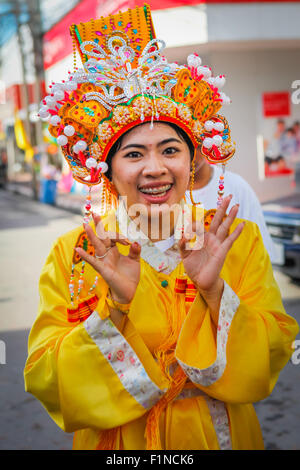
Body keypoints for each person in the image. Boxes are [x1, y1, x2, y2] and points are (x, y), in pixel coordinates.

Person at [24, 6, 298, 451]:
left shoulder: (235, 239)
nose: (155, 168)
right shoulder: (75, 252)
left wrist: (215, 295)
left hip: (218, 434)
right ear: (108, 171)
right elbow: (44, 375)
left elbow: (275, 349)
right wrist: (115, 308)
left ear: (192, 162)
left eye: (170, 149)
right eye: (133, 155)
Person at [185, 150, 276, 260]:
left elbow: (262, 251)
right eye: (171, 150)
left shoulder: (236, 186)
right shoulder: (164, 193)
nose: (188, 154)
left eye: (194, 143)